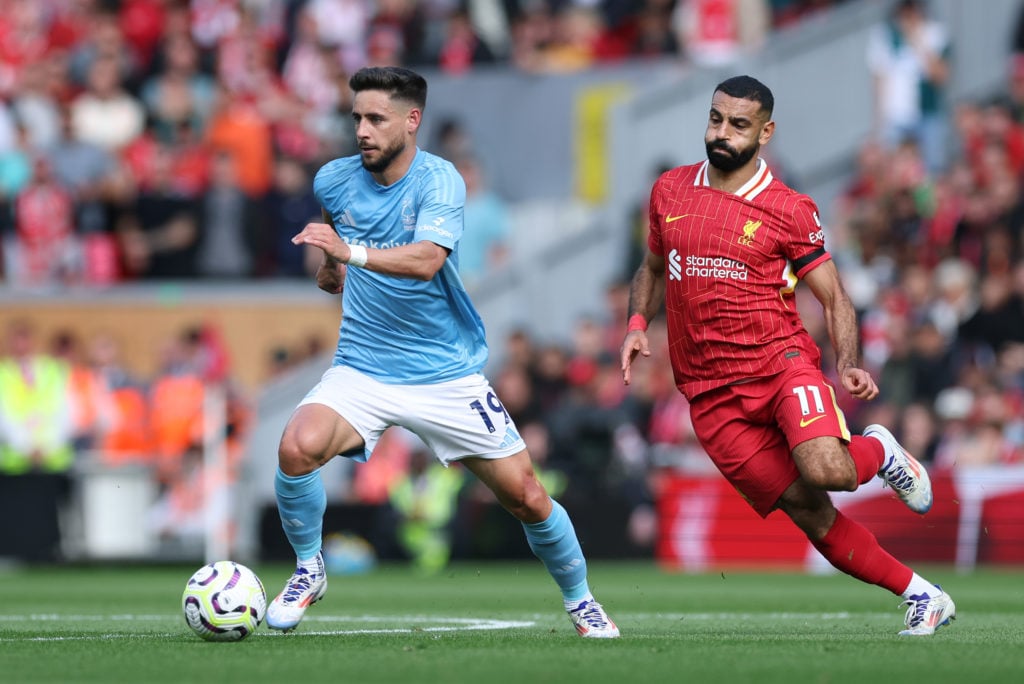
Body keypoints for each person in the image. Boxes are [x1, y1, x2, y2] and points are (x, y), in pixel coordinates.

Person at [268, 66, 619, 639]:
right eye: (357, 116)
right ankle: (309, 569)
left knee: (528, 496)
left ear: (412, 121)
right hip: (363, 367)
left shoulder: (441, 181)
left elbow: (427, 259)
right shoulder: (333, 179)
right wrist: (332, 268)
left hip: (445, 375)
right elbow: (335, 239)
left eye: (376, 118)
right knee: (295, 446)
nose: (362, 130)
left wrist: (349, 253)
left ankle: (581, 600)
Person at [619, 75, 955, 637]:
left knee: (829, 469)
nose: (722, 133)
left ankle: (881, 453)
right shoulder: (670, 191)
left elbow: (834, 295)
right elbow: (652, 270)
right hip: (709, 397)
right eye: (716, 119)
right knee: (811, 512)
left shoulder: (788, 208)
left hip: (780, 366)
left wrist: (848, 359)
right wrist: (635, 324)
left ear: (766, 132)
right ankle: (924, 596)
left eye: (739, 125)